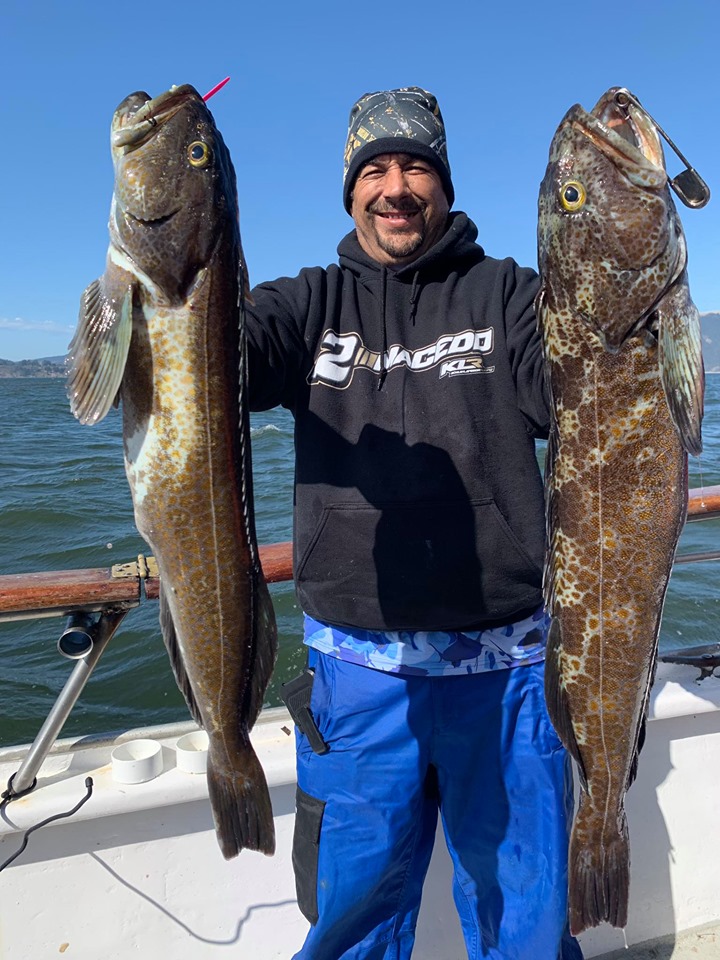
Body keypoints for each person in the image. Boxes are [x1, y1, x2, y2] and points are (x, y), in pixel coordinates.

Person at [245, 87, 583, 960]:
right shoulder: (304, 306)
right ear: (351, 190)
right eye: (376, 169)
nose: (397, 188)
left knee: (528, 917)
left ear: (446, 185)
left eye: (418, 166)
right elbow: (217, 364)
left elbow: (582, 397)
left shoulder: (510, 297)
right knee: (351, 914)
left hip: (509, 672)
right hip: (355, 680)